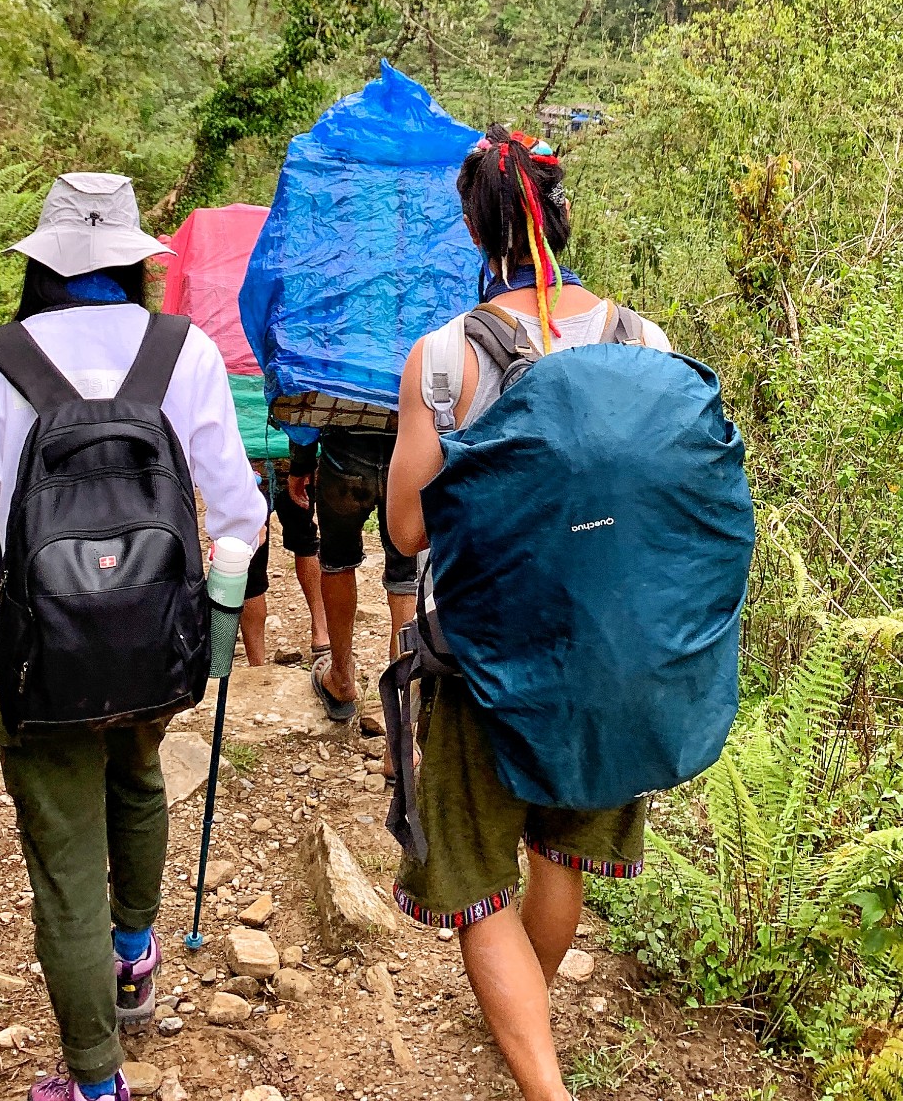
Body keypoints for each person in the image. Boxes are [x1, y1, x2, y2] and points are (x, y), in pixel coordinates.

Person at [0, 172, 266, 1101]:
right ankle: (135, 949)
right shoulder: (181, 354)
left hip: (39, 657)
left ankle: (92, 1082)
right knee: (140, 773)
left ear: (43, 265)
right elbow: (240, 510)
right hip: (156, 642)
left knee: (65, 859)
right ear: (132, 262)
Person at [386, 129, 672, 1101]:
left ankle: (543, 1080)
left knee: (474, 872)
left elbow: (408, 523)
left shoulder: (443, 356)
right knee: (562, 849)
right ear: (560, 214)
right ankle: (529, 1022)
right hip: (612, 655)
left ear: (476, 224)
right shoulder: (645, 343)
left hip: (481, 663)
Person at [295, 424, 416, 724]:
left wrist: (302, 462)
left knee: (337, 563)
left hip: (344, 450)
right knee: (406, 578)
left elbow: (308, 387)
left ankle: (341, 679)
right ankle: (398, 737)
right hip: (409, 450)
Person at [237, 447, 330, 666]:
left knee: (250, 555)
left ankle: (256, 662)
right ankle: (321, 632)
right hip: (293, 445)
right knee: (305, 539)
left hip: (245, 451)